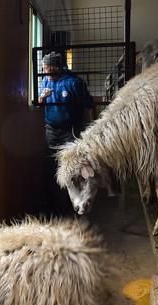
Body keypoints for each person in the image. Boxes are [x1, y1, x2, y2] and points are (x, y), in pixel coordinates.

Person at [38, 52, 94, 213]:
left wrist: (89, 129)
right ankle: (53, 199)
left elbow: (88, 105)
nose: (44, 70)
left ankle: (76, 200)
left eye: (46, 67)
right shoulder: (44, 81)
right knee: (52, 162)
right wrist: (41, 98)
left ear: (56, 67)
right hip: (51, 129)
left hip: (71, 129)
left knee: (72, 163)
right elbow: (39, 103)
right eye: (43, 67)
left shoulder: (74, 83)